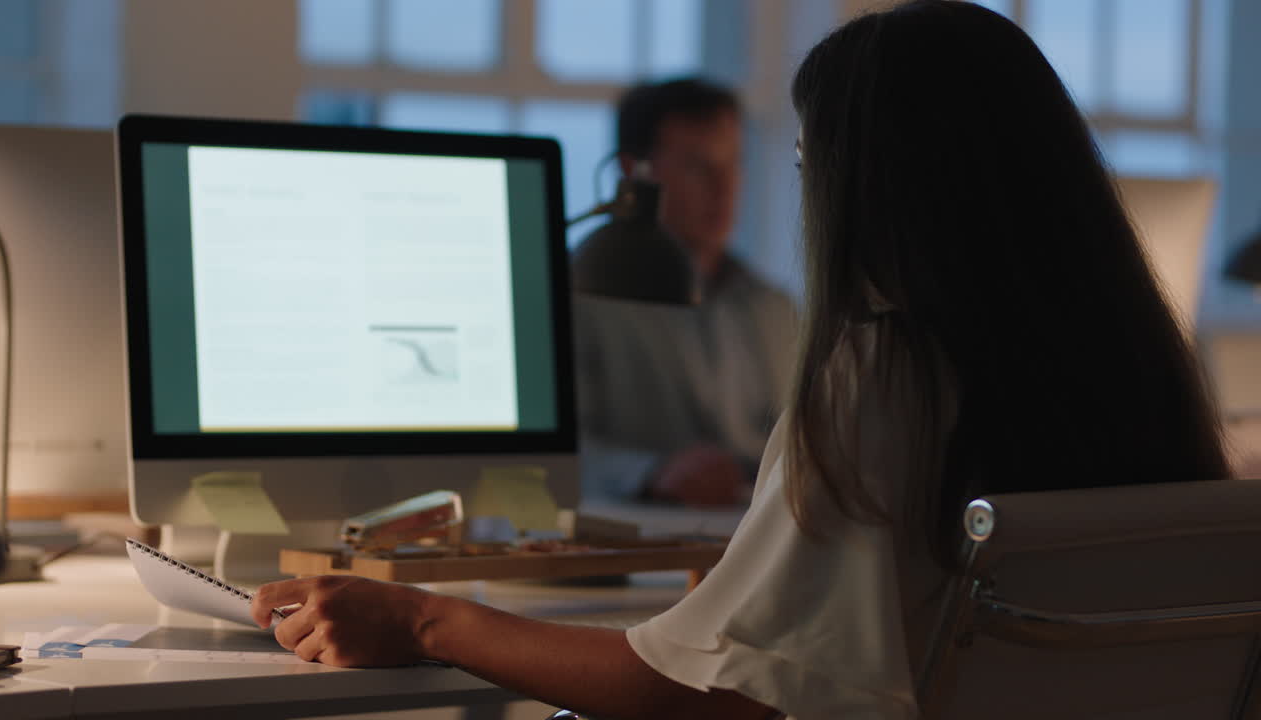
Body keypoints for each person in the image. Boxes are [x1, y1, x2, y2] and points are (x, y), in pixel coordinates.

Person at [251, 2, 1232, 717]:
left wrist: (425, 620)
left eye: (807, 169)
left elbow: (703, 699)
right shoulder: (1142, 371)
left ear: (864, 187)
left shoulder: (878, 374)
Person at [573, 77, 798, 507]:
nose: (723, 188)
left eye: (733, 164)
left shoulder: (773, 306)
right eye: (698, 166)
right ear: (631, 172)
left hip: (756, 527)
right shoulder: (583, 294)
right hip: (643, 534)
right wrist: (652, 473)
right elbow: (554, 450)